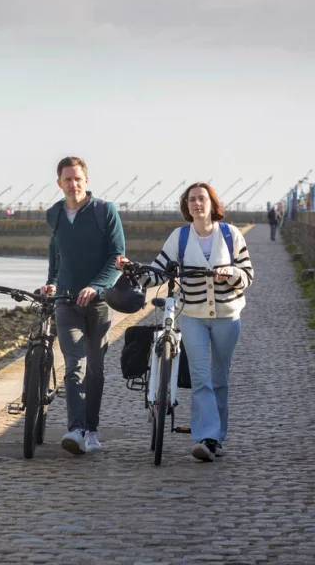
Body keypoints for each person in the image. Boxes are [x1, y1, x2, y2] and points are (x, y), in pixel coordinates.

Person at [117, 182, 254, 462]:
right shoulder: (179, 238)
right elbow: (158, 272)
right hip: (192, 315)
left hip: (228, 317)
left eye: (201, 199)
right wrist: (134, 270)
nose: (196, 204)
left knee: (220, 378)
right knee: (201, 377)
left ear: (212, 204)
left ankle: (218, 434)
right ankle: (207, 438)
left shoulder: (230, 235)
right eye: (191, 199)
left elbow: (248, 274)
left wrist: (230, 273)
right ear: (186, 206)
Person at [40, 156, 125, 455]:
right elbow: (56, 252)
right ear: (59, 183)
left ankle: (92, 429)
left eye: (78, 179)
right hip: (66, 302)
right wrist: (51, 281)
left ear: (86, 181)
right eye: (67, 179)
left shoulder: (105, 211)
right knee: (74, 366)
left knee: (96, 370)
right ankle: (75, 430)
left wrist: (96, 286)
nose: (73, 184)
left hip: (99, 304)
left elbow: (117, 257)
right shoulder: (54, 214)